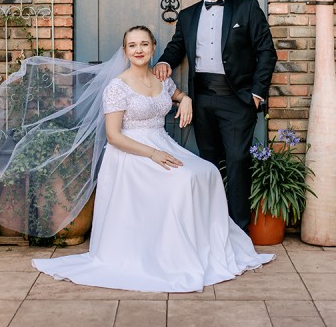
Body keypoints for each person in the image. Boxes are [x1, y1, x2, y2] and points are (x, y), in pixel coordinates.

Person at [31, 26, 273, 292]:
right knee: (183, 180)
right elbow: (113, 136)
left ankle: (206, 248)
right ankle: (173, 256)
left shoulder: (161, 79)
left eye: (144, 44)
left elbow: (175, 94)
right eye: (132, 45)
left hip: (162, 142)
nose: (139, 50)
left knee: (208, 171)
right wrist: (152, 154)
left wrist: (185, 99)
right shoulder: (117, 87)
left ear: (153, 47)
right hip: (131, 152)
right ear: (125, 51)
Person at [154, 0, 277, 232]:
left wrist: (257, 94)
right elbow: (177, 47)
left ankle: (238, 231)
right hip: (202, 100)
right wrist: (163, 62)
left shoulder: (247, 8)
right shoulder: (187, 16)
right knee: (209, 163)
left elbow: (266, 52)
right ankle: (210, 228)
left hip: (237, 100)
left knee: (237, 162)